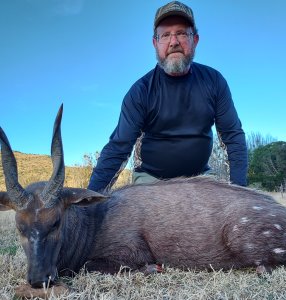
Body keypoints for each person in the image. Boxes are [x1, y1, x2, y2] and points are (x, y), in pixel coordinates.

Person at [88, 1, 248, 192]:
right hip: (151, 181)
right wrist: (91, 197)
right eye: (165, 35)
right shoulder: (140, 91)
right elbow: (118, 147)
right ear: (155, 43)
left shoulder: (214, 81)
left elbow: (233, 136)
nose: (174, 42)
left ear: (195, 40)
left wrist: (240, 191)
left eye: (181, 33)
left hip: (201, 178)